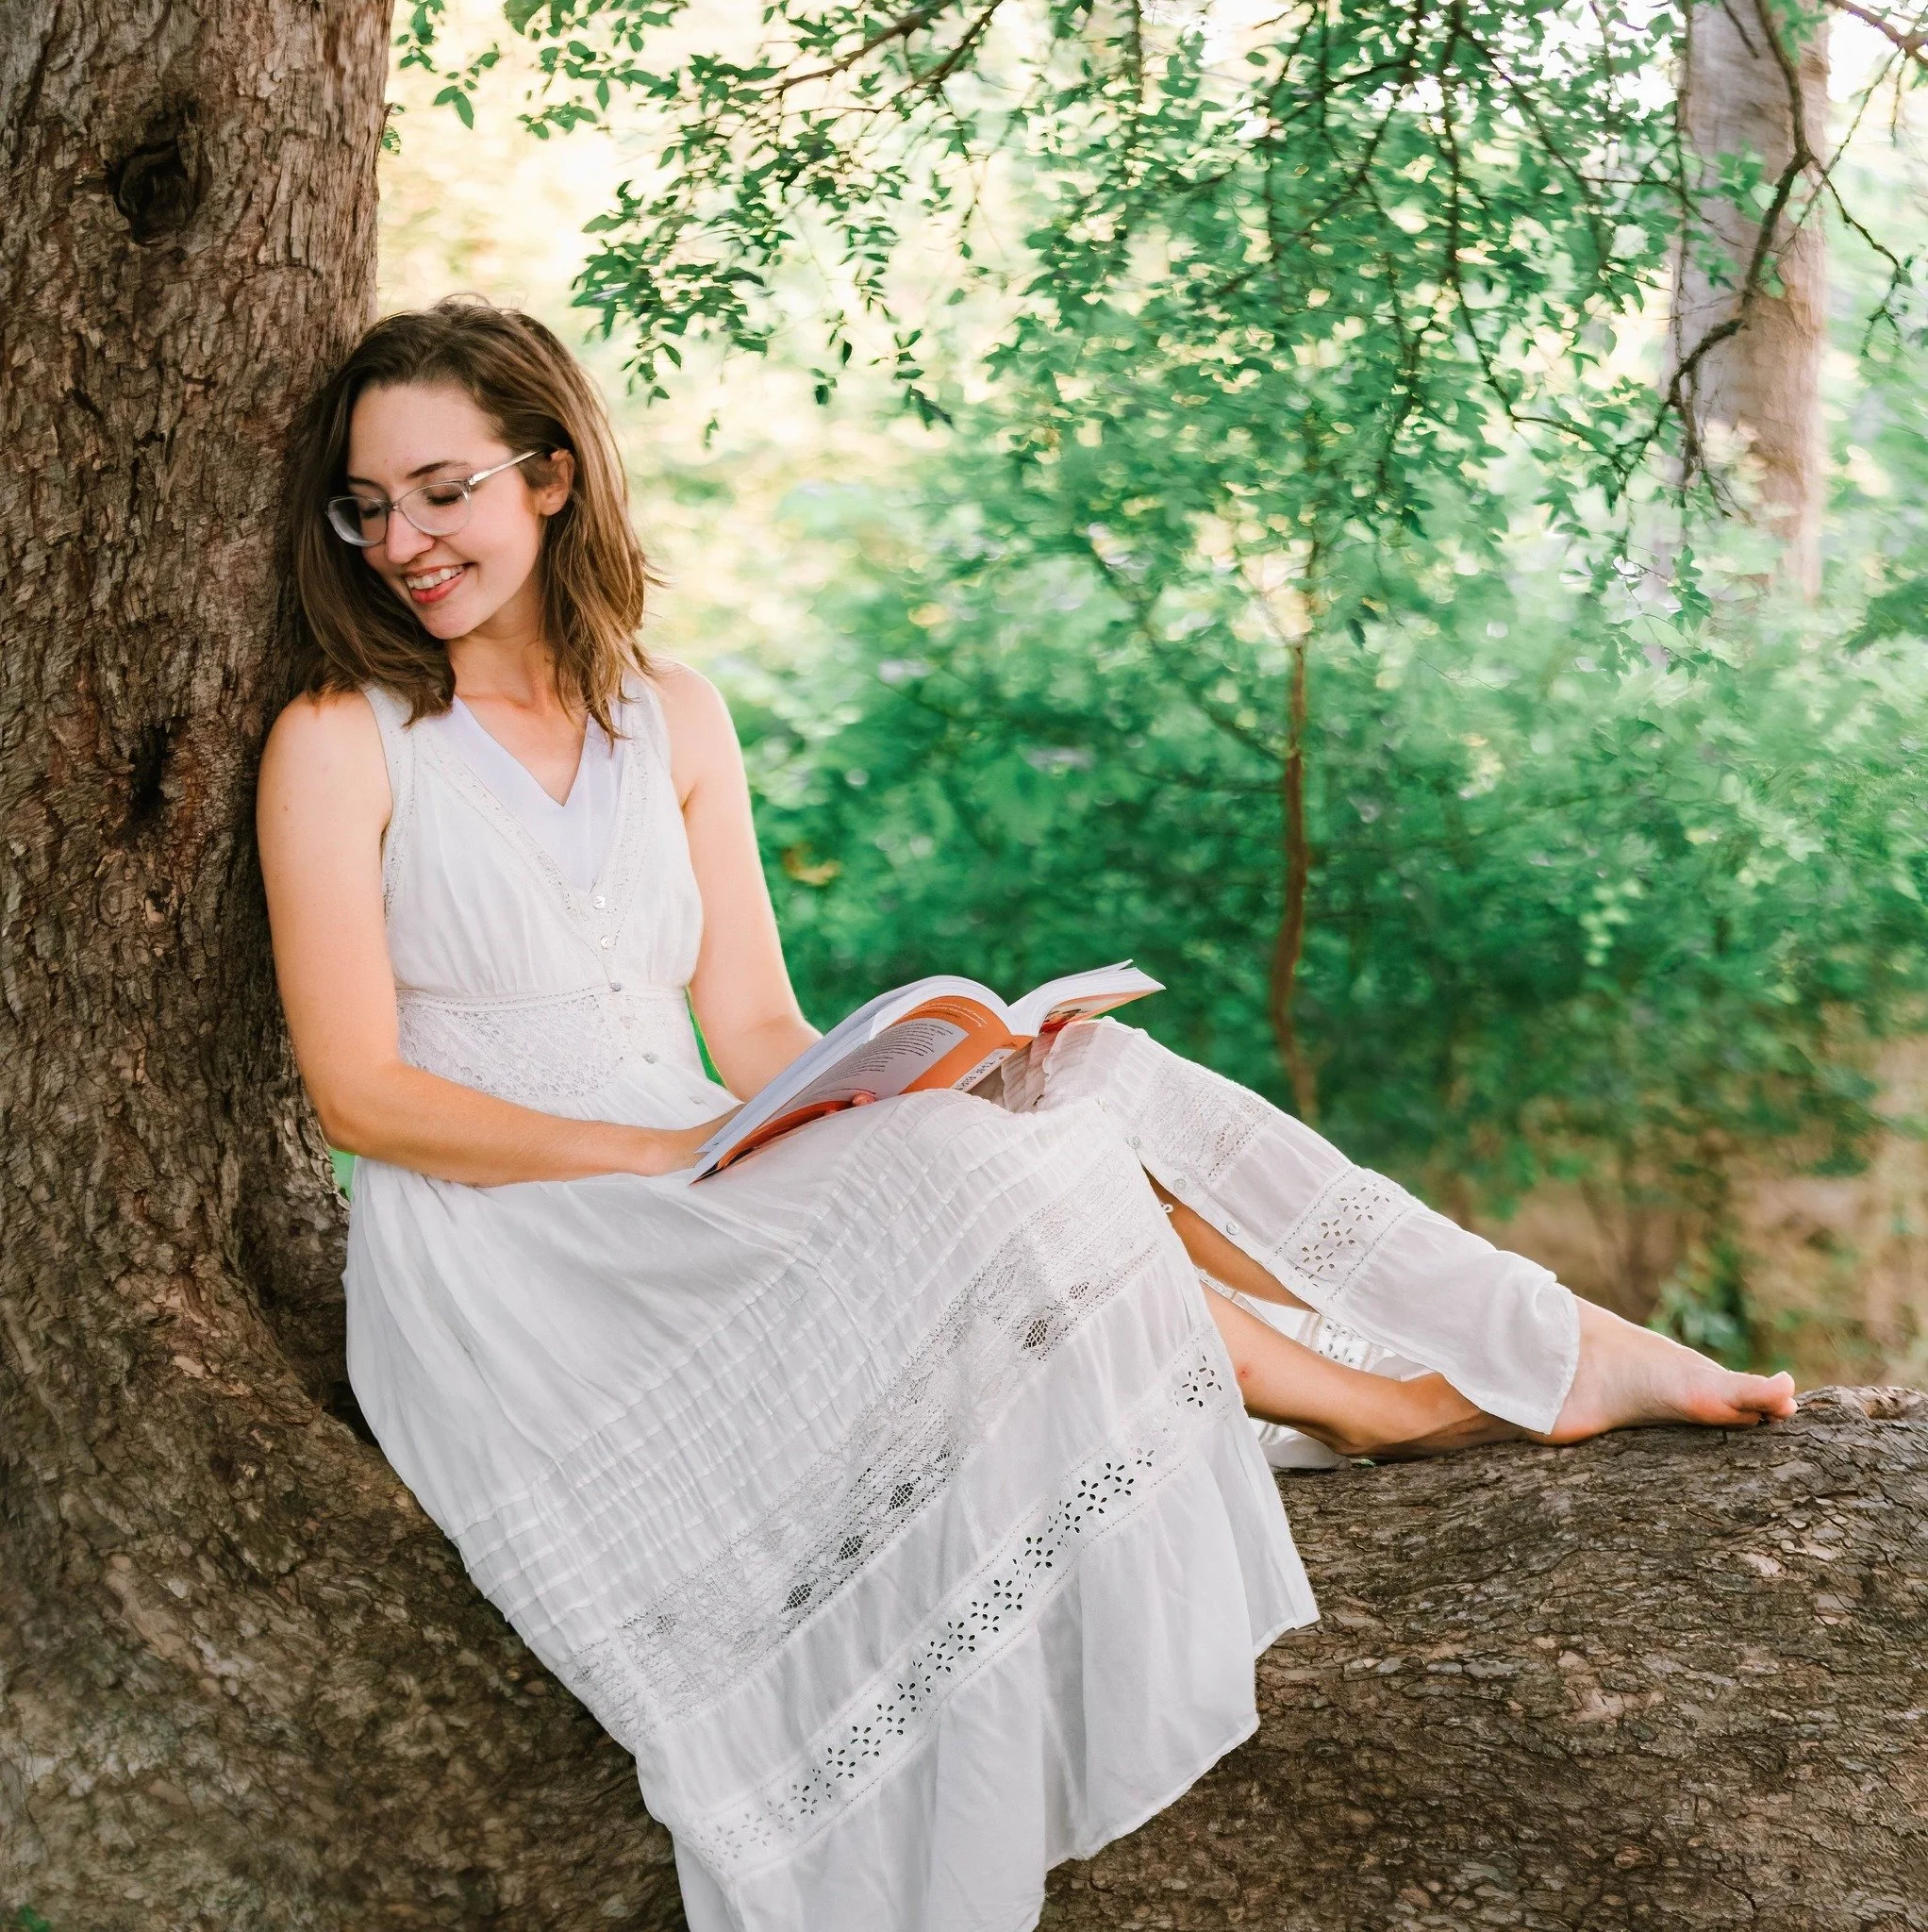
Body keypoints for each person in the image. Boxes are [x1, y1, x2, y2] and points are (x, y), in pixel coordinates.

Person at [257, 296, 1797, 1932]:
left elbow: (758, 1025)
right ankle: (1392, 1398)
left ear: (551, 475)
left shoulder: (673, 714)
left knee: (1074, 1079)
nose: (405, 542)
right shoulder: (345, 741)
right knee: (952, 1175)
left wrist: (920, 1059)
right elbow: (363, 1094)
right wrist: (666, 1150)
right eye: (370, 508)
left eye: (443, 491)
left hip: (698, 1157)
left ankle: (1524, 1339)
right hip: (517, 1242)